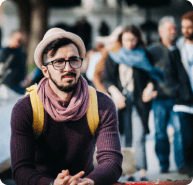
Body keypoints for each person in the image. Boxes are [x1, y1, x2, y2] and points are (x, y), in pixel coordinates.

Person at [10, 28, 123, 185]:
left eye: (74, 60)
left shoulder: (101, 104)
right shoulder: (26, 108)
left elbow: (111, 161)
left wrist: (90, 181)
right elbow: (21, 169)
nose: (68, 68)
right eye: (58, 62)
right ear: (45, 71)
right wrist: (51, 184)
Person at [102, 25, 162, 181]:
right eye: (127, 40)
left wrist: (150, 86)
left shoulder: (144, 54)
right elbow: (106, 79)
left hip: (139, 102)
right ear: (121, 39)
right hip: (121, 102)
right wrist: (114, 92)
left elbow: (152, 75)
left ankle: (142, 171)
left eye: (133, 39)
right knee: (124, 135)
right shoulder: (114, 55)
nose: (130, 43)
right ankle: (129, 171)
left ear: (138, 39)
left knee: (139, 135)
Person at [142, 16, 187, 174]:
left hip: (178, 98)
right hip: (159, 98)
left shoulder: (182, 48)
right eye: (169, 28)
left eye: (174, 28)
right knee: (160, 133)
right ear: (161, 31)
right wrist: (149, 86)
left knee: (180, 131)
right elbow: (146, 72)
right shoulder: (152, 50)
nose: (173, 31)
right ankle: (164, 164)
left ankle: (182, 165)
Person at [164, 11, 193, 176]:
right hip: (183, 103)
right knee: (187, 139)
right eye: (184, 27)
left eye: (190, 27)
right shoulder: (177, 50)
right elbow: (169, 76)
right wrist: (178, 92)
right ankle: (190, 172)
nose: (186, 30)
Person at [0, 30, 26, 94]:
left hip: (18, 87)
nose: (18, 42)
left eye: (20, 40)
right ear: (11, 38)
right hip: (5, 86)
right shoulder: (4, 52)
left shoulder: (21, 53)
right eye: (17, 39)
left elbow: (23, 69)